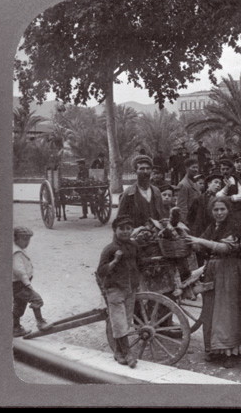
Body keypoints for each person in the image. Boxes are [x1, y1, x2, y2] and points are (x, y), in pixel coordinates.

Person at [185, 196, 241, 368]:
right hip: (213, 272)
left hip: (229, 271)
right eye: (215, 210)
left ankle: (231, 353)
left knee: (227, 312)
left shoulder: (235, 227)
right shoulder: (213, 227)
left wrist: (200, 241)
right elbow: (201, 246)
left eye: (222, 209)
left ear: (228, 210)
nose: (219, 213)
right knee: (211, 310)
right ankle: (215, 349)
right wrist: (189, 240)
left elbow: (225, 248)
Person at [95, 215, 140, 367]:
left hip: (130, 289)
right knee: (120, 323)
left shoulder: (134, 246)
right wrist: (114, 261)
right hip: (115, 289)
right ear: (115, 230)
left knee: (125, 322)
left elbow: (141, 264)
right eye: (122, 229)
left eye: (128, 229)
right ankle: (128, 354)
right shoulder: (110, 249)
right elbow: (101, 271)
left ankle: (118, 352)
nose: (125, 232)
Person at [12, 227, 48, 337]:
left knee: (19, 306)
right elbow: (19, 271)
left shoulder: (16, 249)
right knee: (37, 299)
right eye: (25, 240)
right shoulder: (16, 252)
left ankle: (15, 328)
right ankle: (40, 322)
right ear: (16, 239)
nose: (27, 242)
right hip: (20, 284)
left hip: (17, 284)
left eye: (28, 240)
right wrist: (27, 284)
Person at [116, 155, 166, 230]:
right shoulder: (129, 194)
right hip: (136, 236)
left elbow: (161, 216)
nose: (145, 172)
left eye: (148, 168)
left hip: (156, 235)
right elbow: (119, 220)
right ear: (135, 171)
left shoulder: (156, 192)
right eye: (142, 169)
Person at [176, 157, 201, 224]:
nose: (196, 170)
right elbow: (181, 206)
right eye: (193, 167)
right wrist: (185, 223)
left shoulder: (195, 182)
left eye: (197, 167)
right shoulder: (183, 184)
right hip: (189, 220)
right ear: (186, 168)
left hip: (196, 218)